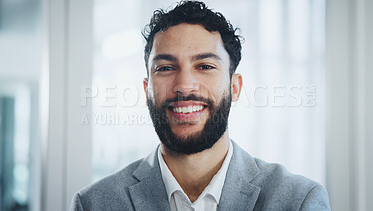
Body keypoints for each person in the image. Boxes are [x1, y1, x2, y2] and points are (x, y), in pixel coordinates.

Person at [70, 1, 330, 210]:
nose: (185, 85)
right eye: (166, 68)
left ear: (235, 87)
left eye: (205, 66)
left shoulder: (298, 201)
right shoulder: (94, 203)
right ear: (146, 89)